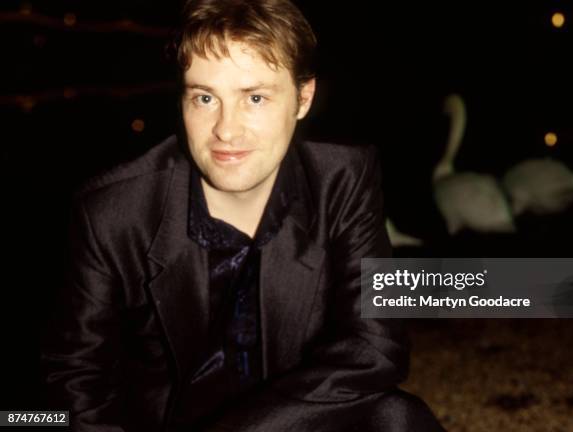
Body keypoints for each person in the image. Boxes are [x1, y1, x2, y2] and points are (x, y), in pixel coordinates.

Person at [40, 0, 445, 430]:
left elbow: (375, 346)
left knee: (397, 419)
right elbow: (75, 384)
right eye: (204, 97)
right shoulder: (113, 212)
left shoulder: (342, 179)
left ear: (303, 97)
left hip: (286, 423)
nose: (226, 130)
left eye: (254, 97)